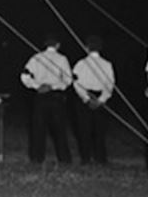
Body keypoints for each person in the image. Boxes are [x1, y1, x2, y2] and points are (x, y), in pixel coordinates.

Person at [20, 34, 73, 164]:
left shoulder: (36, 58)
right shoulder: (62, 59)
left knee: (38, 128)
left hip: (41, 96)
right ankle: (64, 159)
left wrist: (36, 86)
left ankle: (37, 158)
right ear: (58, 45)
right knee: (59, 129)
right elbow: (68, 79)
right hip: (56, 96)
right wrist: (53, 86)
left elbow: (24, 75)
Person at [71, 35, 115, 165]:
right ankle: (101, 159)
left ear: (86, 47)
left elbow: (76, 83)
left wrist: (85, 98)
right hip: (99, 97)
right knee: (99, 131)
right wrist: (101, 100)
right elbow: (110, 84)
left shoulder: (80, 64)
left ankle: (86, 159)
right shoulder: (107, 64)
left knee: (84, 130)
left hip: (85, 98)